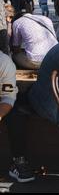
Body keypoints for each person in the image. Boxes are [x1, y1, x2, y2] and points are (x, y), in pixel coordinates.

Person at [0, 51, 35, 183]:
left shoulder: (4, 63)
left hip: (2, 99)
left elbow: (8, 98)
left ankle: (19, 160)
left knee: (16, 115)